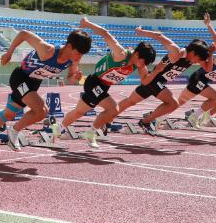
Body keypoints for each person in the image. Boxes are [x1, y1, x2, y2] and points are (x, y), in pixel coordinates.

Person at [0, 25, 91, 152]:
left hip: (33, 84)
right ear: (69, 46)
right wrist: (9, 52)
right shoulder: (48, 50)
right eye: (78, 53)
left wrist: (75, 77)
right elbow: (24, 34)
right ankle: (13, 131)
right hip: (20, 77)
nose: (79, 58)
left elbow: (70, 79)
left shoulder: (72, 60)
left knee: (9, 113)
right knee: (41, 110)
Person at [59, 18, 156, 148]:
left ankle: (57, 130)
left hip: (104, 86)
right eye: (144, 62)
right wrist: (87, 23)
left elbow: (145, 81)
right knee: (113, 109)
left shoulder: (140, 65)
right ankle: (91, 133)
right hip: (94, 82)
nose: (144, 66)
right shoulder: (121, 54)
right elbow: (106, 33)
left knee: (79, 112)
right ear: (137, 54)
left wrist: (158, 70)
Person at [117, 28, 212, 132]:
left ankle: (109, 116)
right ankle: (145, 121)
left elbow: (207, 68)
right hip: (154, 80)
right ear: (193, 53)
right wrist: (142, 32)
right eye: (198, 59)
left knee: (130, 101)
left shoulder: (191, 58)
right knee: (173, 104)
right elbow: (159, 36)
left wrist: (210, 54)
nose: (197, 62)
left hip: (155, 81)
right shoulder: (177, 53)